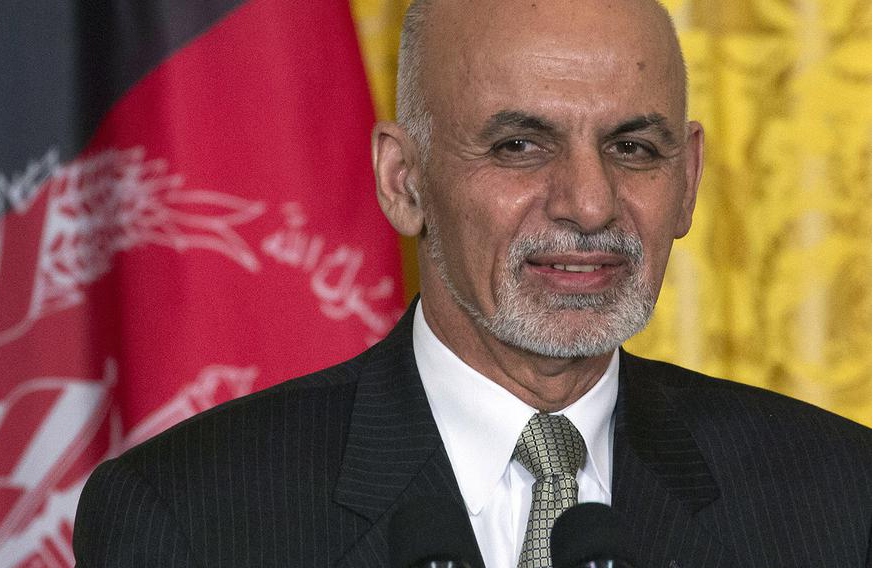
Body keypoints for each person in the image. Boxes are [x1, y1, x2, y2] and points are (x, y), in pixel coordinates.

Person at [73, 0, 872, 566]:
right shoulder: (191, 517)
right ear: (404, 181)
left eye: (633, 148)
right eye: (521, 145)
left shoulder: (840, 500)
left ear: (688, 180)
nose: (590, 205)